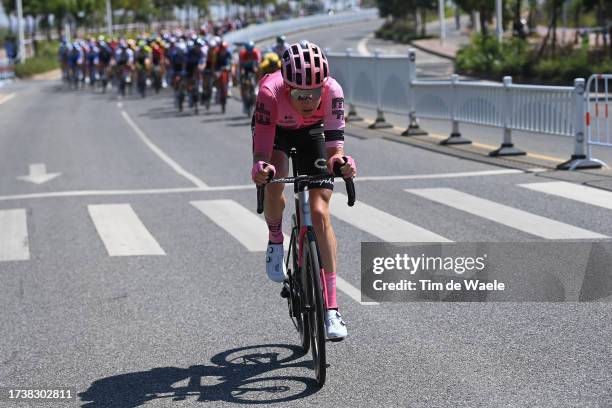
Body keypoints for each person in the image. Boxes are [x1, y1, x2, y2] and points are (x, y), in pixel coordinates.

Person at [250, 41, 356, 340]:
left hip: (313, 132)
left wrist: (343, 165)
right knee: (276, 174)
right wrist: (260, 168)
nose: (308, 100)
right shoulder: (270, 92)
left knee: (320, 213)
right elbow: (261, 155)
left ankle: (332, 309)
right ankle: (274, 239)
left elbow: (335, 150)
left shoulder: (332, 91)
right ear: (287, 87)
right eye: (300, 94)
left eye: (314, 93)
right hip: (278, 131)